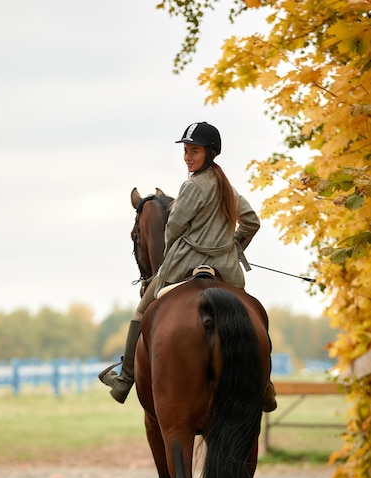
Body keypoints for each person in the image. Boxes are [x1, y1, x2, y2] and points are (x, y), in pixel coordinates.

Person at [99, 121, 277, 411]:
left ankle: (124, 380)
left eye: (194, 151)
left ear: (210, 153)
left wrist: (169, 257)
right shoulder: (226, 187)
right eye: (186, 151)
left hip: (184, 265)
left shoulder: (191, 186)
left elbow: (174, 228)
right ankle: (265, 386)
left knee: (141, 312)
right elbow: (251, 222)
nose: (187, 157)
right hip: (227, 270)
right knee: (254, 314)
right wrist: (231, 247)